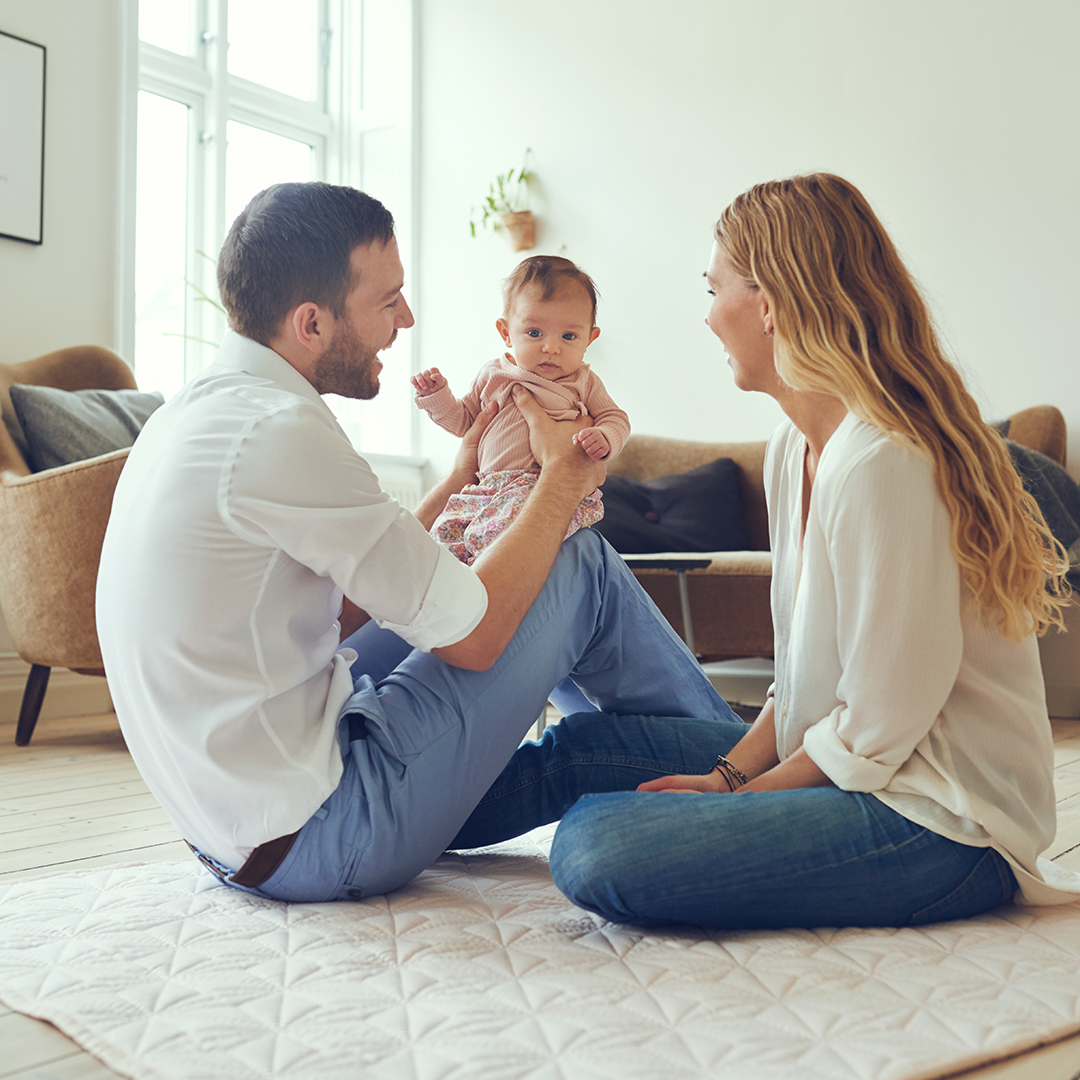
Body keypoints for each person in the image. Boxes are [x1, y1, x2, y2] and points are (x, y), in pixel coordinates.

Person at [449, 172, 1080, 929]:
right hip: (858, 765)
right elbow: (809, 683)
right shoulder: (795, 448)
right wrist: (725, 779)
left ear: (771, 304)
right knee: (584, 745)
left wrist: (735, 798)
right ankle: (402, 822)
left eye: (714, 289)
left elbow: (877, 728)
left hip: (941, 818)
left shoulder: (886, 461)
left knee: (594, 844)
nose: (708, 318)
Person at [95, 181, 735, 903]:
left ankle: (727, 766)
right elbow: (478, 639)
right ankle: (753, 773)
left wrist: (463, 473)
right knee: (575, 554)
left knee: (534, 625)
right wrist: (560, 481)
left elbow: (351, 602)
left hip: (246, 831)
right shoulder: (278, 431)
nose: (406, 318)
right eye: (388, 300)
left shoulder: (199, 414)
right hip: (329, 829)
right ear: (311, 323)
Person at [411, 255, 630, 564]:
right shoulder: (493, 375)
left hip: (535, 488)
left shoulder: (583, 381)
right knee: (441, 539)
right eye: (534, 333)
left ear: (589, 338)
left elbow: (616, 417)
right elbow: (465, 422)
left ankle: (494, 582)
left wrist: (605, 436)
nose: (551, 348)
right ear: (506, 332)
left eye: (568, 336)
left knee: (496, 542)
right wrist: (437, 397)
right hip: (483, 489)